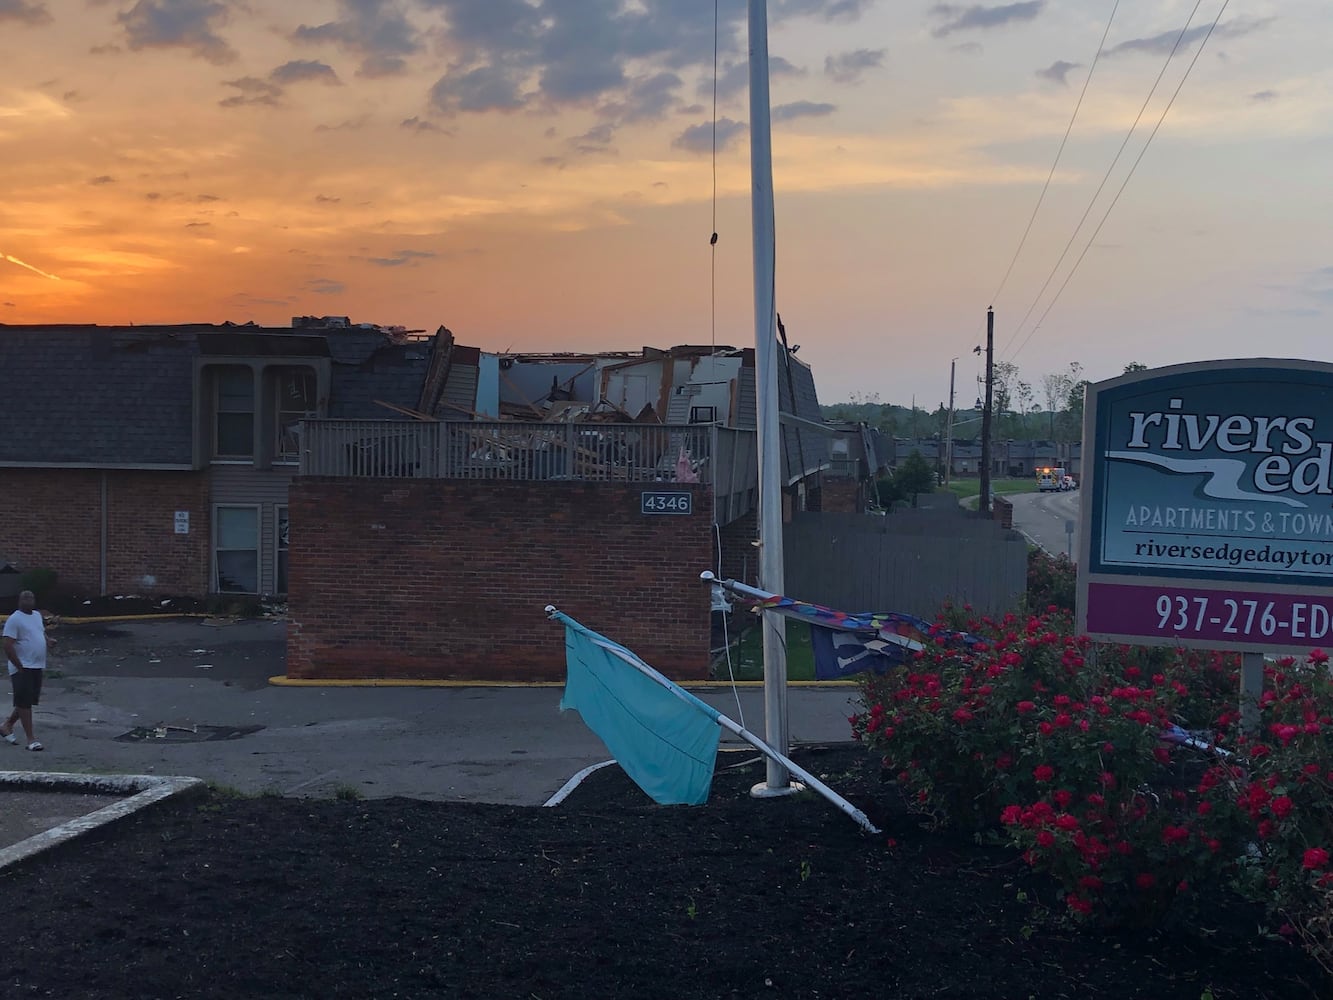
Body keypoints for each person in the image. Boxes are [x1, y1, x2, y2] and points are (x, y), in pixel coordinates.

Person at [2, 590, 52, 751]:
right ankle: (31, 740)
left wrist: (48, 641)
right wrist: (18, 665)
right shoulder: (14, 619)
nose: (28, 599)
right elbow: (7, 645)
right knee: (24, 702)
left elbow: (40, 633)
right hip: (22, 666)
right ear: (19, 601)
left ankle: (7, 725)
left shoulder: (37, 616)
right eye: (25, 597)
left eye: (31, 597)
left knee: (27, 701)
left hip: (37, 665)